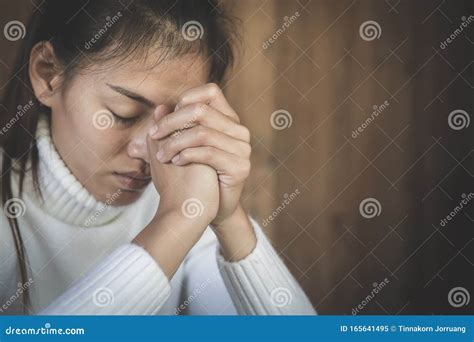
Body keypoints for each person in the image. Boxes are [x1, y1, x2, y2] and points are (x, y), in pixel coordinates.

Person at [0, 0, 315, 315]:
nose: (148, 150)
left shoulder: (183, 195)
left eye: (176, 120)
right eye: (124, 114)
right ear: (48, 75)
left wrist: (229, 219)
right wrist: (174, 224)